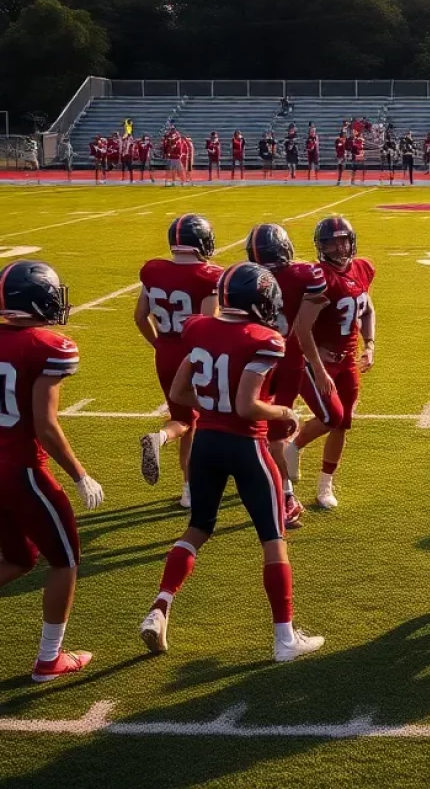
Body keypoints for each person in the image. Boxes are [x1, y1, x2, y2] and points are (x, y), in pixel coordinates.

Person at [139, 263, 324, 663]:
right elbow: (246, 405)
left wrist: (213, 405)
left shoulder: (199, 328)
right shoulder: (265, 340)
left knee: (198, 527)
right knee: (274, 541)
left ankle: (160, 605)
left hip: (205, 441)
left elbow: (179, 391)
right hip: (247, 447)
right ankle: (284, 639)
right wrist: (283, 414)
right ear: (259, 301)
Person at [0, 261, 104, 682]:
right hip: (21, 469)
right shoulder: (46, 345)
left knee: (20, 558)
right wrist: (80, 474)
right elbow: (45, 426)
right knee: (65, 560)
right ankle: (49, 660)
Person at [245, 224, 343, 531]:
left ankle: (281, 468)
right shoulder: (306, 274)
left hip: (265, 358)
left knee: (328, 416)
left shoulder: (245, 276)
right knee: (275, 433)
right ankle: (285, 495)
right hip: (285, 360)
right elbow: (317, 310)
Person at [282, 217, 375, 512]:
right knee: (329, 418)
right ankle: (292, 447)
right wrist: (318, 365)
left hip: (348, 359)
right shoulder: (320, 276)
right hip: (316, 360)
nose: (339, 246)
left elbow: (368, 308)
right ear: (321, 246)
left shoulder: (362, 268)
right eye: (332, 242)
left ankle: (325, 483)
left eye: (343, 240)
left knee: (342, 423)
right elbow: (301, 326)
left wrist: (370, 345)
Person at [135, 216, 223, 508]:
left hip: (166, 351)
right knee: (201, 418)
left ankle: (188, 486)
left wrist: (159, 344)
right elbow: (209, 324)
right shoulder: (209, 276)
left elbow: (139, 316)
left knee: (186, 418)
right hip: (194, 354)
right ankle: (163, 443)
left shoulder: (154, 270)